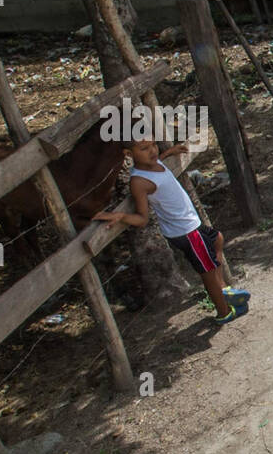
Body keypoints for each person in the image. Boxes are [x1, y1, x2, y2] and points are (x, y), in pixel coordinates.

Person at [93, 139, 251, 325]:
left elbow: (158, 162)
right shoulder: (139, 181)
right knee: (207, 271)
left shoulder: (153, 162)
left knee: (217, 238)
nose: (152, 150)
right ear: (128, 154)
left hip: (192, 224)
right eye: (144, 148)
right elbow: (142, 218)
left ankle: (223, 289)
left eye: (153, 145)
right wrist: (121, 216)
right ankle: (224, 312)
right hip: (186, 232)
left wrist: (167, 153)